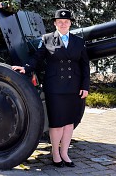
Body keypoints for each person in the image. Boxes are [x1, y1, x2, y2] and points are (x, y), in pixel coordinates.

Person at [12, 9, 90, 168]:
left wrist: (85, 86)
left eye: (66, 22)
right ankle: (55, 154)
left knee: (69, 123)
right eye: (59, 22)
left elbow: (84, 66)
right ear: (55, 23)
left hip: (73, 87)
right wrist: (26, 69)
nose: (63, 24)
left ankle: (65, 154)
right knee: (57, 123)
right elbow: (37, 58)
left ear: (70, 23)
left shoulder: (78, 41)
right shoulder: (47, 39)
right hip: (55, 87)